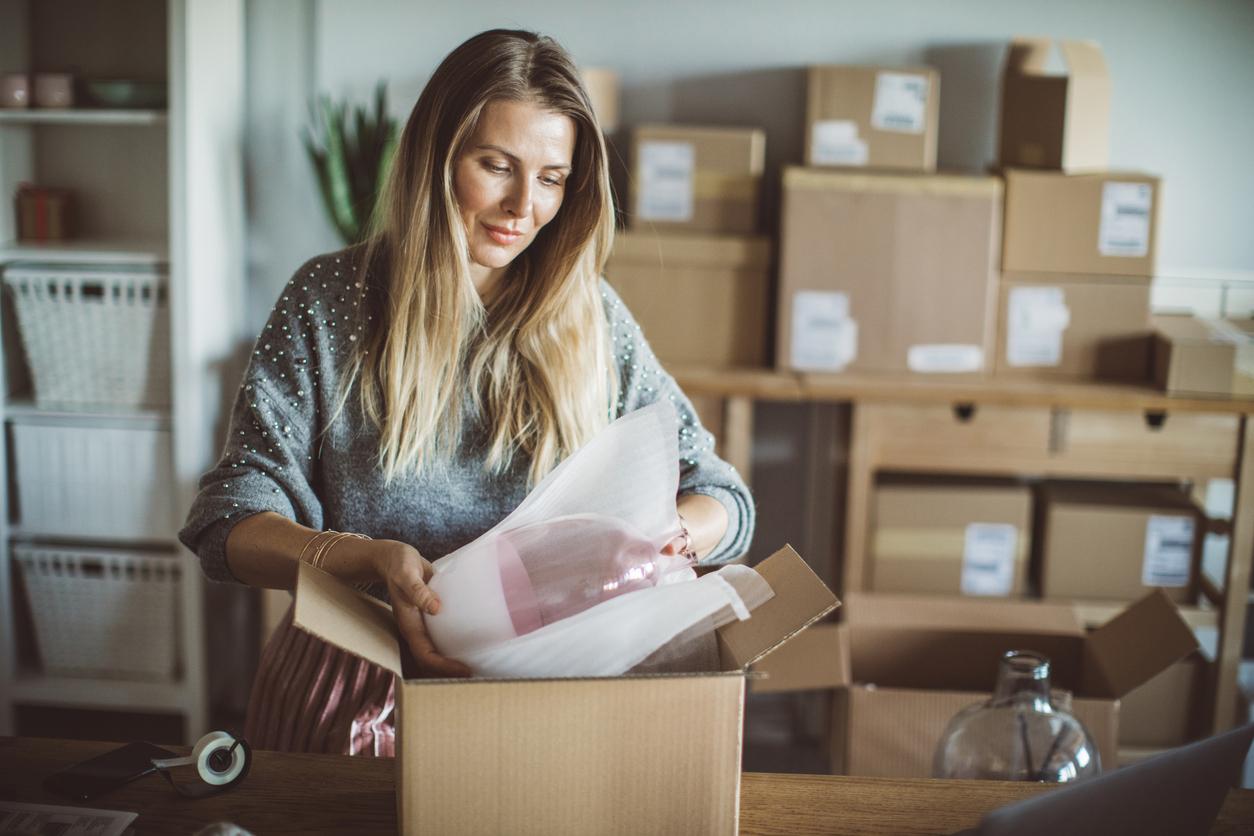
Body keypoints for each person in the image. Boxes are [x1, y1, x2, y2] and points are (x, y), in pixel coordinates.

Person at [179, 28, 755, 757]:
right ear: (436, 156)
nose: (523, 206)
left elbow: (725, 502)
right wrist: (361, 559)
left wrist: (662, 538)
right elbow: (227, 524)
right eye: (496, 165)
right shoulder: (330, 301)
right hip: (350, 699)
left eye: (551, 178)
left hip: (538, 707)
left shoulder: (593, 321)